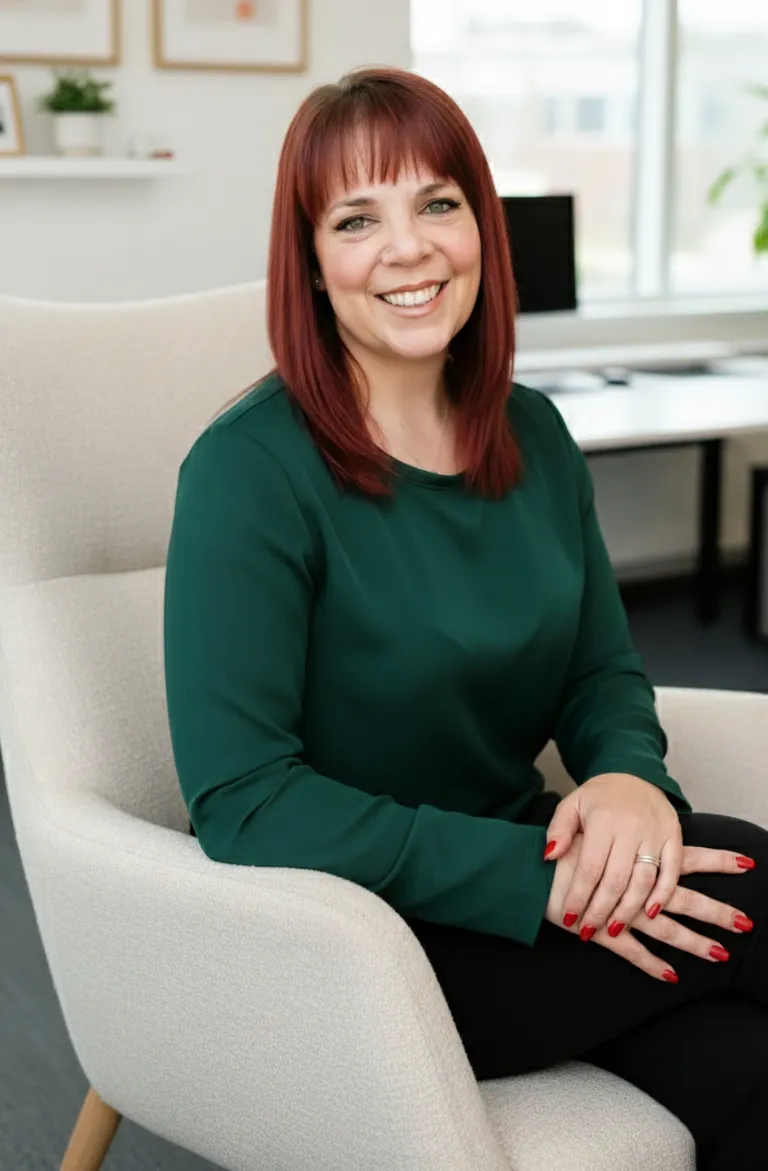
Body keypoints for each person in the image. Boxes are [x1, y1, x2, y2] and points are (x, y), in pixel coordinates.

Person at [163, 65, 768, 1168]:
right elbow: (244, 802)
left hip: (533, 882)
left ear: (481, 226)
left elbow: (598, 671)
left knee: (744, 1069)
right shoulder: (247, 473)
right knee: (752, 879)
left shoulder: (533, 433)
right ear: (310, 261)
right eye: (357, 219)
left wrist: (629, 778)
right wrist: (536, 877)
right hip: (358, 939)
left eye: (437, 204)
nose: (408, 248)